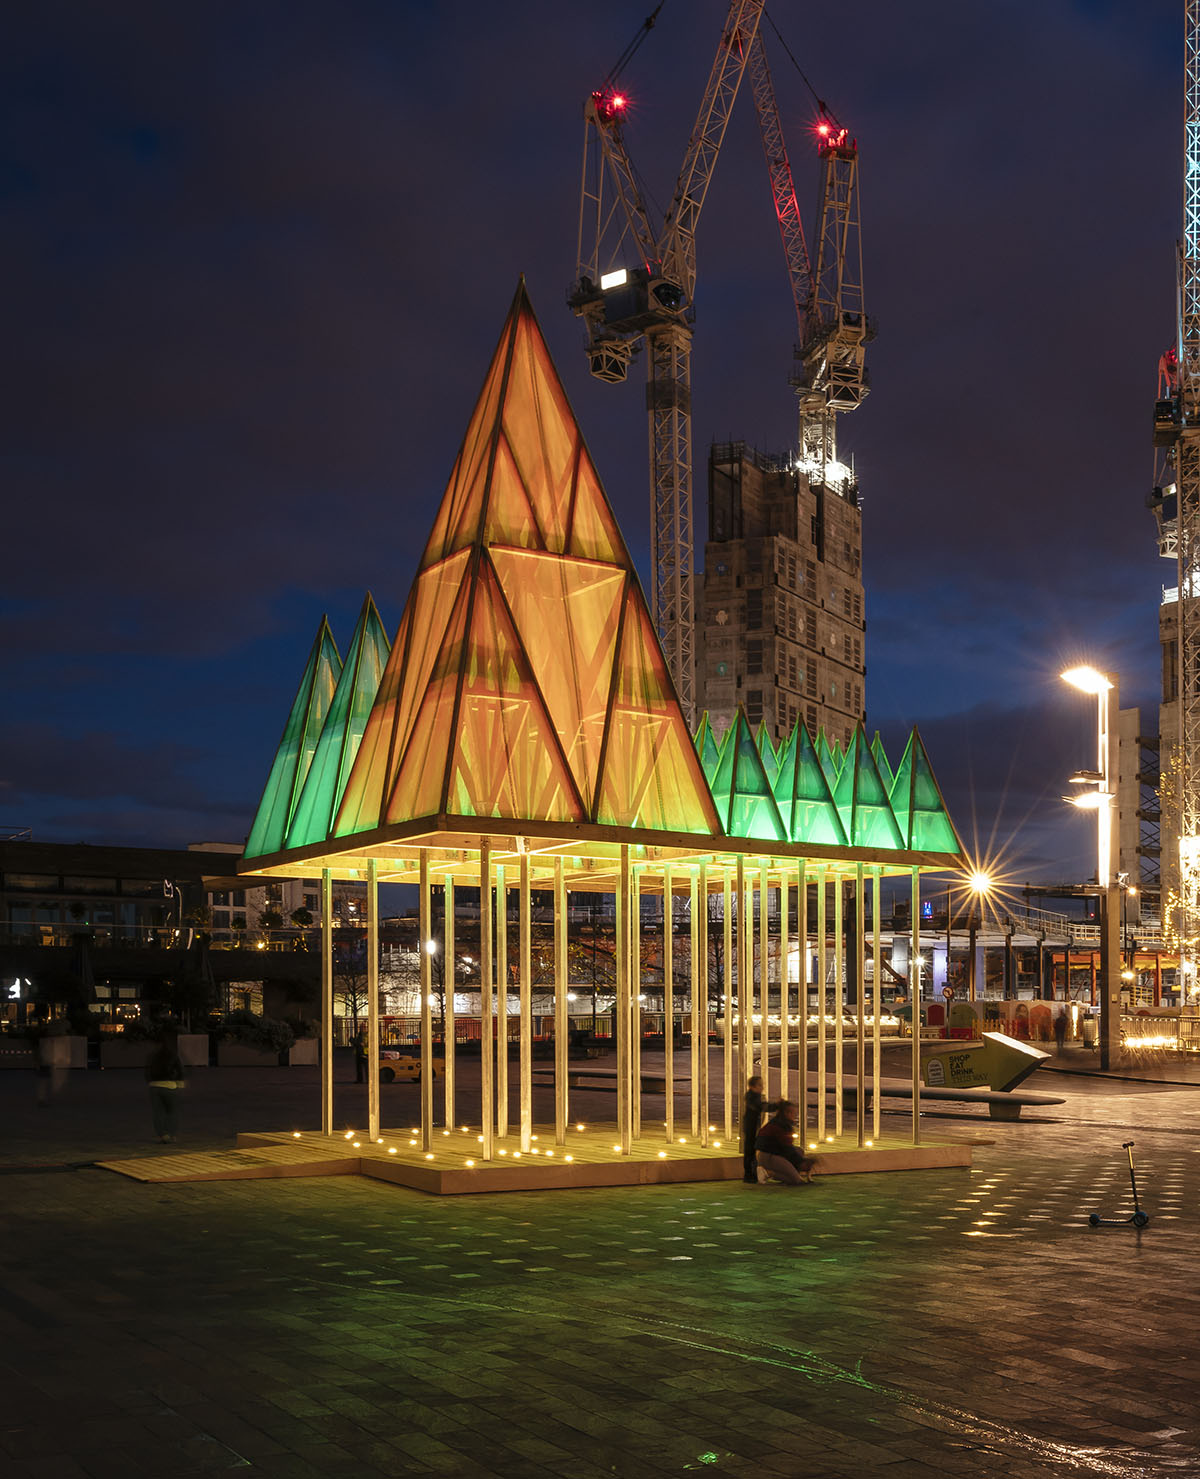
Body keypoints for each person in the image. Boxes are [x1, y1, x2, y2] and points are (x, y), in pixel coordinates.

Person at [754, 1100, 818, 1185]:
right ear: (787, 1113)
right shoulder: (780, 1127)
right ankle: (767, 1172)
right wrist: (801, 1162)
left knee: (799, 1150)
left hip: (774, 1153)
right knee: (796, 1181)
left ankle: (792, 1174)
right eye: (793, 1113)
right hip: (768, 1156)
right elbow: (787, 1149)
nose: (795, 1116)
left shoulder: (781, 1123)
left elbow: (788, 1148)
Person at [144, 1028, 185, 1143]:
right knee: (172, 1111)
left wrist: (150, 1082)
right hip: (170, 1085)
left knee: (158, 1112)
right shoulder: (172, 1054)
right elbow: (179, 1069)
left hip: (154, 1086)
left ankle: (162, 1134)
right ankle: (171, 1134)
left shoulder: (152, 1056)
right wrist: (180, 1082)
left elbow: (147, 1071)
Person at [741, 1074, 770, 1183]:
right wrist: (774, 1106)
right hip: (750, 1126)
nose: (762, 1087)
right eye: (759, 1085)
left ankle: (752, 1173)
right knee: (750, 1149)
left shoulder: (755, 1096)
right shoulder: (751, 1097)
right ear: (752, 1086)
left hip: (753, 1125)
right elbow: (759, 1106)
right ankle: (749, 1174)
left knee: (752, 1149)